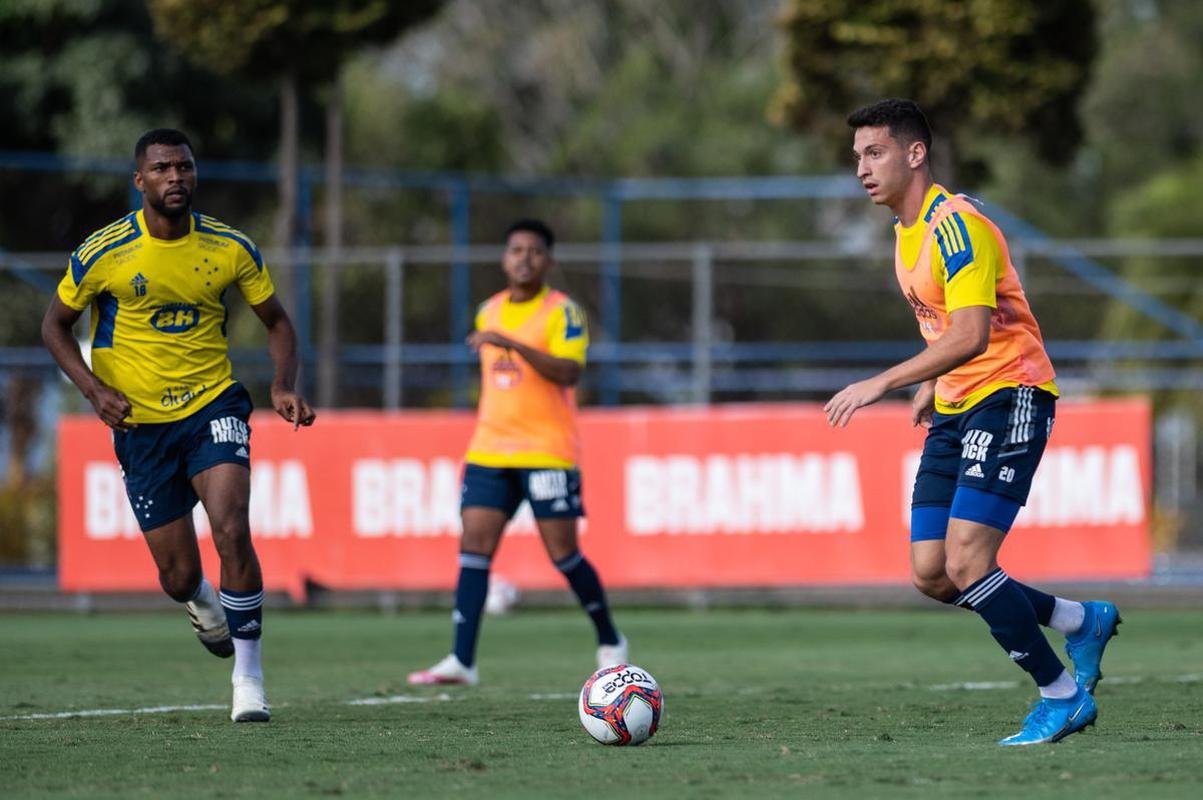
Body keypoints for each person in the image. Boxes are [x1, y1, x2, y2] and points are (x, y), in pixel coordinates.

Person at [827, 99, 1120, 745]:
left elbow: (968, 334)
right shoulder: (903, 234)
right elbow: (942, 322)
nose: (861, 169)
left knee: (967, 560)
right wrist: (930, 383)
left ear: (914, 153)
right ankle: (1078, 621)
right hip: (955, 406)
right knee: (930, 572)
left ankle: (1061, 695)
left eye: (873, 153)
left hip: (1009, 392)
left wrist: (883, 381)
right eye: (856, 157)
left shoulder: (956, 226)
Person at [42, 128, 315, 722]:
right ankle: (199, 600)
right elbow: (54, 326)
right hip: (139, 424)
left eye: (185, 167)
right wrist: (93, 391)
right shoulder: (103, 252)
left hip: (213, 405)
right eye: (162, 169)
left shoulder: (230, 248)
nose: (176, 178)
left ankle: (249, 679)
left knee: (231, 527)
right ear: (139, 180)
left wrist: (283, 384)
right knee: (177, 573)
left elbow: (277, 321)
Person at [408, 219, 626, 686]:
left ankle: (610, 639)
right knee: (473, 548)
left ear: (548, 261)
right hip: (489, 448)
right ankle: (461, 660)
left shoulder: (561, 312)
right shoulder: (487, 311)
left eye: (533, 251)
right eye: (515, 250)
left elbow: (569, 373)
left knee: (563, 553)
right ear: (504, 258)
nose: (524, 258)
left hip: (547, 451)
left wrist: (511, 343)